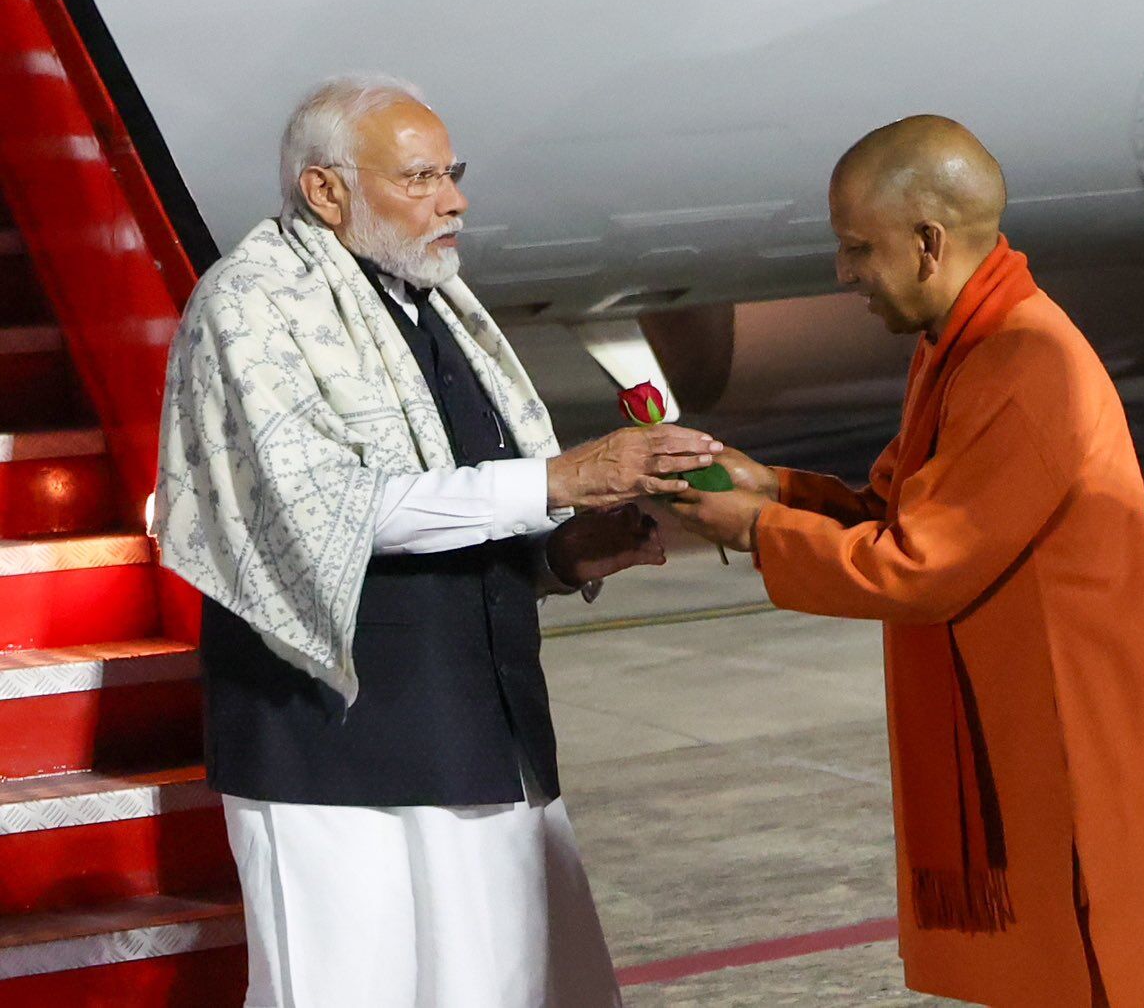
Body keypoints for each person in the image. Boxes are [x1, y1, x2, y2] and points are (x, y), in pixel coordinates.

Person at [154, 75, 725, 1007]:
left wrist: (558, 555)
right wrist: (558, 481)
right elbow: (331, 510)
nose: (453, 201)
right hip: (334, 756)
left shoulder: (432, 305)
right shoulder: (251, 307)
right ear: (325, 190)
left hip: (479, 733)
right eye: (420, 178)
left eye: (452, 174)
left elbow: (454, 506)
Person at [668, 115, 1144, 1008]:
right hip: (1041, 737)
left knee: (1113, 978)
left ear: (928, 243)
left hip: (1075, 754)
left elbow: (921, 563)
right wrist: (774, 489)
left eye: (857, 248)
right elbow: (906, 510)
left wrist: (758, 531)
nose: (844, 273)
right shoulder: (967, 342)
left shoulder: (1023, 361)